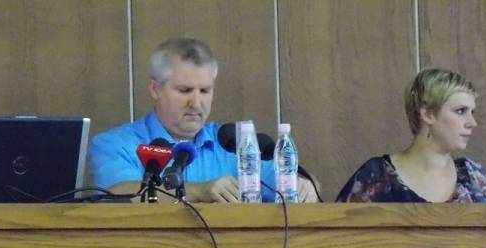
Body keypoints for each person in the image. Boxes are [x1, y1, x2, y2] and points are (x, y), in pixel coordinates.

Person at [89, 37, 318, 203]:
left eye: (205, 91)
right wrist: (200, 191)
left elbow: (296, 183)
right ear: (155, 89)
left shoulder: (231, 145)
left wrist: (304, 186)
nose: (196, 103)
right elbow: (118, 195)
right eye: (185, 90)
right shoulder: (114, 143)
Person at [335, 68, 486, 203]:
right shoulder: (375, 176)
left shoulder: (473, 177)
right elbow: (337, 228)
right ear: (428, 114)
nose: (472, 123)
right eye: (460, 111)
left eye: (472, 112)